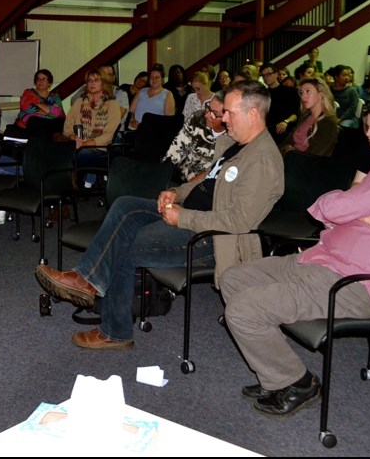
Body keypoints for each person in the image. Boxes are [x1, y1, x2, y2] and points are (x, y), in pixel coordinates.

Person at [221, 82, 370, 418]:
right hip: (325, 260)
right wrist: (352, 209)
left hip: (357, 283)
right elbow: (340, 211)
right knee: (234, 278)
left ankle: (296, 382)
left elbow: (331, 207)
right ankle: (275, 373)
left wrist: (348, 207)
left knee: (243, 310)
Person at [34, 81, 284, 350]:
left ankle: (115, 331)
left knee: (129, 240)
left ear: (253, 114)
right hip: (191, 216)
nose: (223, 118)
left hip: (213, 239)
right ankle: (86, 279)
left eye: (228, 113)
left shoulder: (262, 161)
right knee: (125, 205)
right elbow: (206, 182)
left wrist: (182, 217)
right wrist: (175, 192)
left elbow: (238, 222)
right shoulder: (235, 144)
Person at [63, 68, 121, 187]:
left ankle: (72, 186)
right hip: (76, 144)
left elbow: (109, 135)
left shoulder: (112, 104)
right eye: (89, 80)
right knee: (59, 152)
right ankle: (62, 187)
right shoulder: (79, 102)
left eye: (96, 80)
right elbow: (67, 126)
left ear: (104, 83)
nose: (92, 83)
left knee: (77, 154)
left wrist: (85, 144)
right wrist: (73, 137)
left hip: (100, 149)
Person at [163, 91, 228, 183]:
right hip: (180, 175)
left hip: (204, 184)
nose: (206, 115)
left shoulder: (233, 138)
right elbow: (176, 149)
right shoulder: (198, 118)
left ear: (228, 118)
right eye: (208, 108)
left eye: (214, 113)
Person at [279, 78, 339, 156]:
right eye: (301, 92)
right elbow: (288, 140)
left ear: (321, 94)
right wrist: (285, 148)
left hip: (305, 163)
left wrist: (292, 154)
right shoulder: (305, 117)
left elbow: (316, 154)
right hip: (292, 158)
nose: (303, 97)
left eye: (308, 91)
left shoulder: (328, 122)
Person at [72, 65, 128, 132]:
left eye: (109, 75)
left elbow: (115, 118)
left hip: (112, 134)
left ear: (113, 78)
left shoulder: (121, 94)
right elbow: (74, 101)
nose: (106, 77)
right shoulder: (90, 89)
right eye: (103, 75)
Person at [128, 64, 174, 130]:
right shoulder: (141, 91)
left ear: (162, 80)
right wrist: (132, 119)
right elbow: (131, 110)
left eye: (157, 77)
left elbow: (169, 119)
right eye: (151, 77)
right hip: (135, 129)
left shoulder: (168, 94)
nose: (154, 79)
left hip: (155, 131)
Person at [261, 62, 299, 140]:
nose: (266, 78)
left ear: (276, 74)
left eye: (268, 74)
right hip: (266, 130)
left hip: (283, 128)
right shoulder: (262, 94)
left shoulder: (290, 91)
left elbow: (295, 113)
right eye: (263, 76)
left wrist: (286, 122)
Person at [328, 64, 360, 129]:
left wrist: (340, 119)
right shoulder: (329, 89)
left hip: (348, 118)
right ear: (336, 77)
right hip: (331, 117)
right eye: (344, 75)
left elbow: (352, 108)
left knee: (343, 125)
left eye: (348, 75)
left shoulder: (352, 90)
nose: (347, 77)